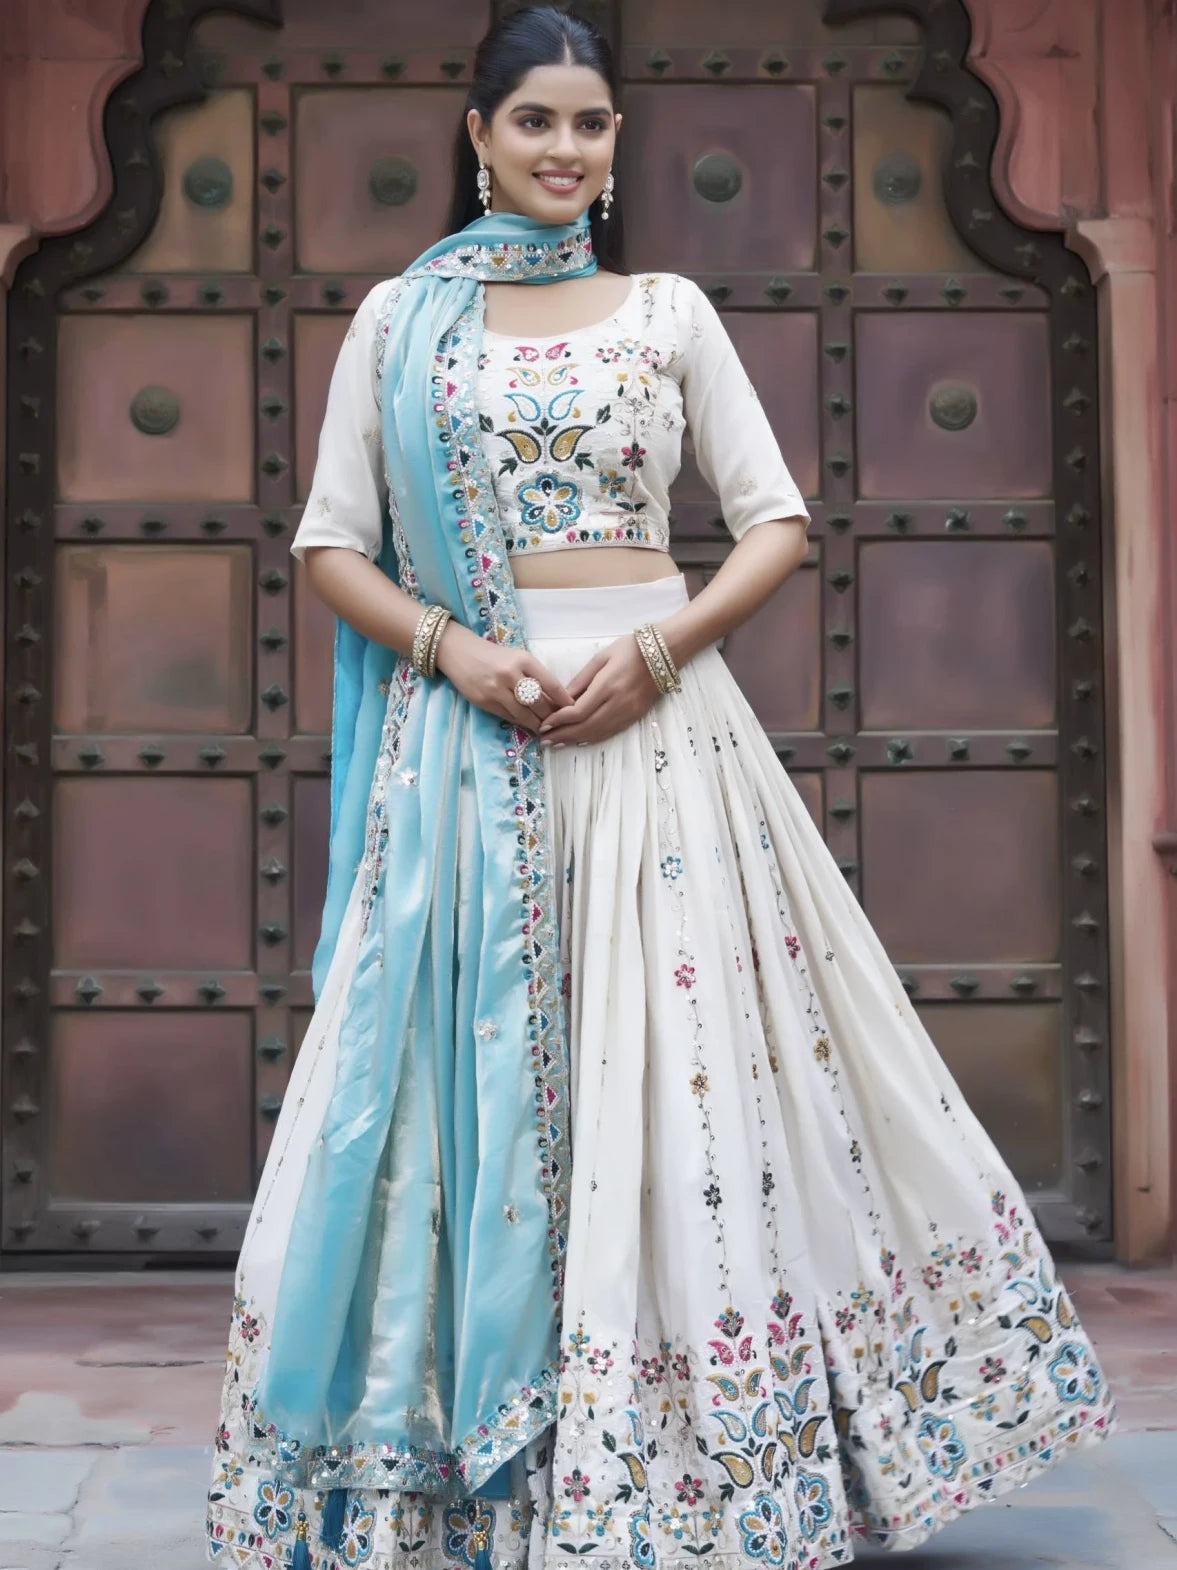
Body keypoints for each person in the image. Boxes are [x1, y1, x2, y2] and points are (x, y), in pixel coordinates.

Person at [204, 8, 1113, 1569]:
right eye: (538, 121)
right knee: (450, 1106)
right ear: (475, 134)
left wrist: (662, 648)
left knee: (677, 1098)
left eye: (594, 124)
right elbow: (327, 543)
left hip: (657, 742)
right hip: (470, 758)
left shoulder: (669, 311)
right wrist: (459, 654)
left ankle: (682, 1472)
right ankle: (455, 1473)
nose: (568, 150)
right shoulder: (393, 323)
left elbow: (772, 519)